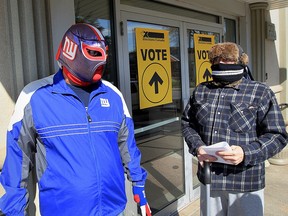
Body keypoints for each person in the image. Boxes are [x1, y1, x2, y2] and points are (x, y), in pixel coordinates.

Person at [0, 23, 151, 216]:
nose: (101, 61)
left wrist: (139, 184)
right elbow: (17, 159)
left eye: (103, 53)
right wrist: (13, 210)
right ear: (71, 50)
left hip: (114, 209)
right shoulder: (35, 97)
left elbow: (127, 145)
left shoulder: (113, 95)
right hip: (63, 210)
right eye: (93, 53)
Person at [182, 42, 288, 216]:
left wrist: (246, 153)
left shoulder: (260, 91)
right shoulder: (201, 91)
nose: (224, 63)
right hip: (210, 179)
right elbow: (188, 124)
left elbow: (278, 135)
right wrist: (198, 147)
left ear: (241, 61)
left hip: (246, 182)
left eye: (229, 59)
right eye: (219, 59)